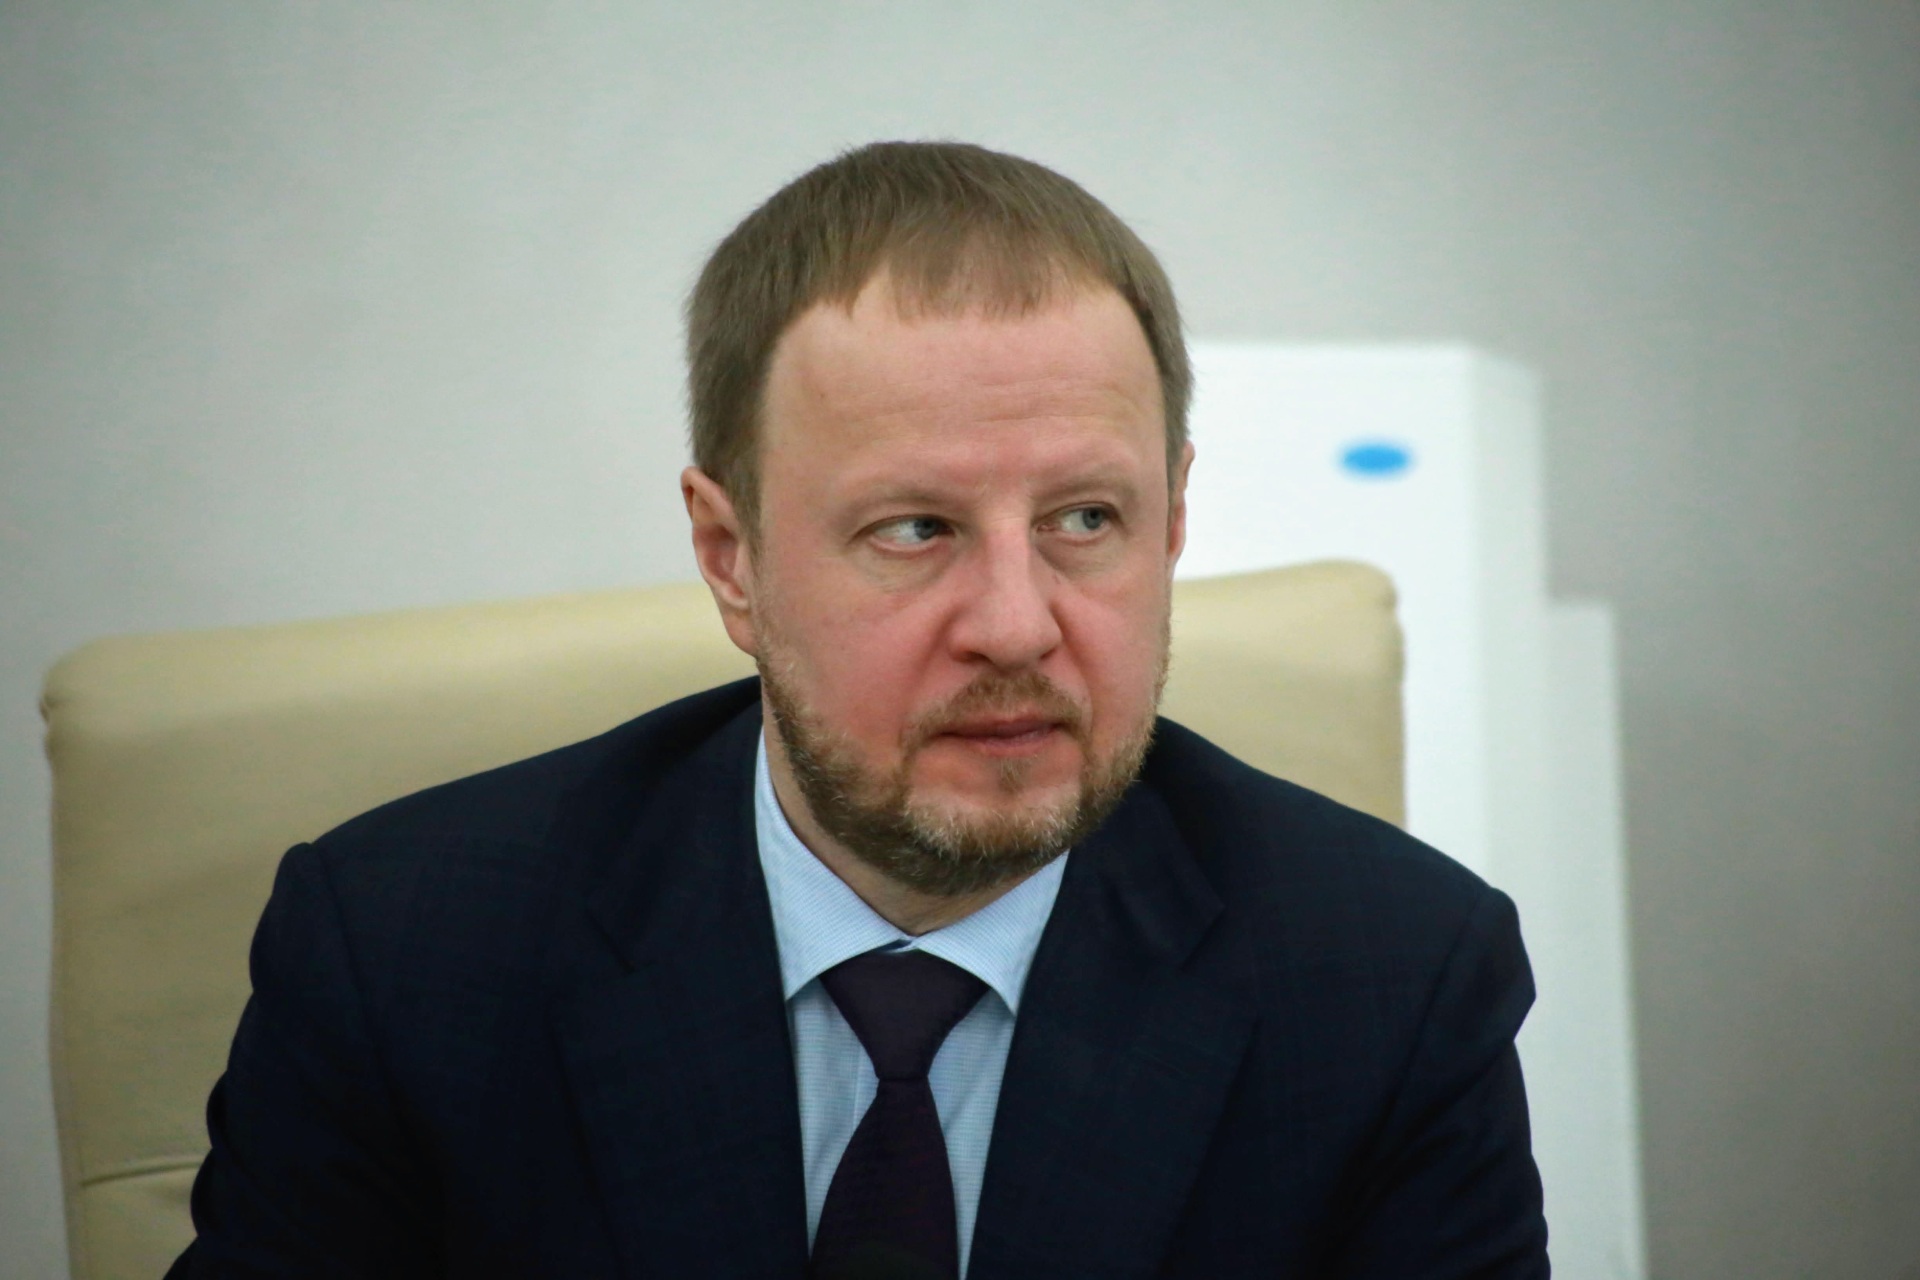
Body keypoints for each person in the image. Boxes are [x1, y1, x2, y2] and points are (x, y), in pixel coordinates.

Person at [168, 141, 1548, 1279]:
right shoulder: (405, 956)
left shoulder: (1394, 982)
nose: (1016, 623)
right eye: (914, 529)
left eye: (1085, 518)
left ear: (1174, 521)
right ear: (732, 558)